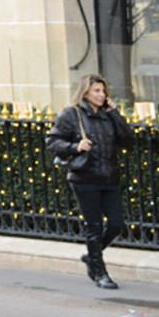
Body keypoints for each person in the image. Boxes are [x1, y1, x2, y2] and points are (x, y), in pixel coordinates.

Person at [46, 73, 133, 289]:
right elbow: (52, 142)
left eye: (103, 91)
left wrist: (115, 114)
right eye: (97, 91)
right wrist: (75, 147)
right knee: (94, 226)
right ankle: (99, 272)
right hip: (84, 178)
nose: (101, 95)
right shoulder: (71, 114)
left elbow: (128, 141)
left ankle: (91, 256)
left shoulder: (107, 115)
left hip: (109, 176)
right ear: (85, 93)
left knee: (117, 224)